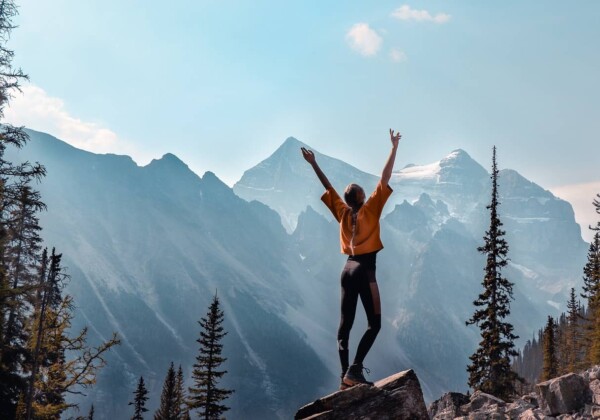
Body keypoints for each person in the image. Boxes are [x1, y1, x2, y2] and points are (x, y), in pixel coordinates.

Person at [301, 129, 401, 390]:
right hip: (365, 270)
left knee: (344, 327)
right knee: (375, 323)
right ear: (362, 197)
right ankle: (355, 369)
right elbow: (386, 176)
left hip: (346, 270)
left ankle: (344, 378)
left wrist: (314, 164)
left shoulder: (343, 214)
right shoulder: (371, 210)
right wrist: (393, 148)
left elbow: (328, 187)